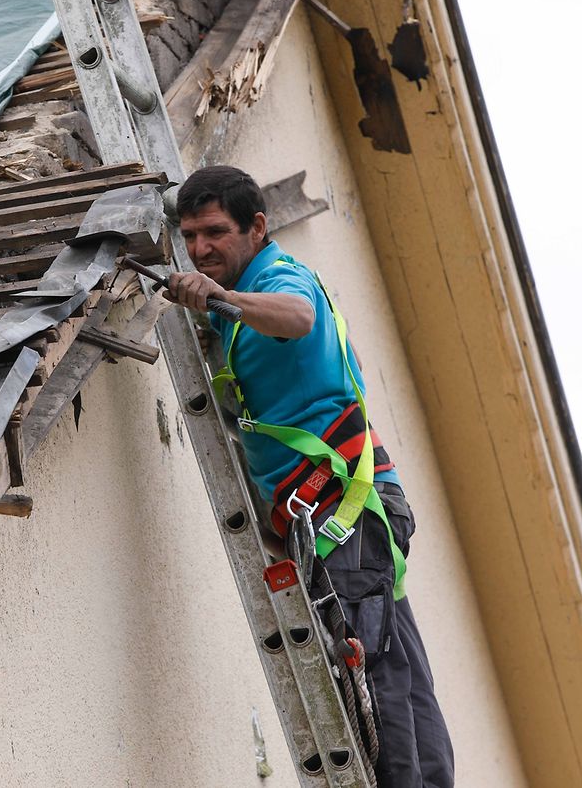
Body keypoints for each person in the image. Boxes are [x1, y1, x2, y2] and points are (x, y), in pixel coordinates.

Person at [164, 165, 454, 787]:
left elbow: (296, 317)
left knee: (372, 667)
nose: (200, 249)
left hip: (342, 508)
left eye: (214, 232)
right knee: (397, 663)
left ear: (257, 227)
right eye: (189, 236)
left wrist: (219, 298)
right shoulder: (242, 295)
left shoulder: (276, 278)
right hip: (337, 511)